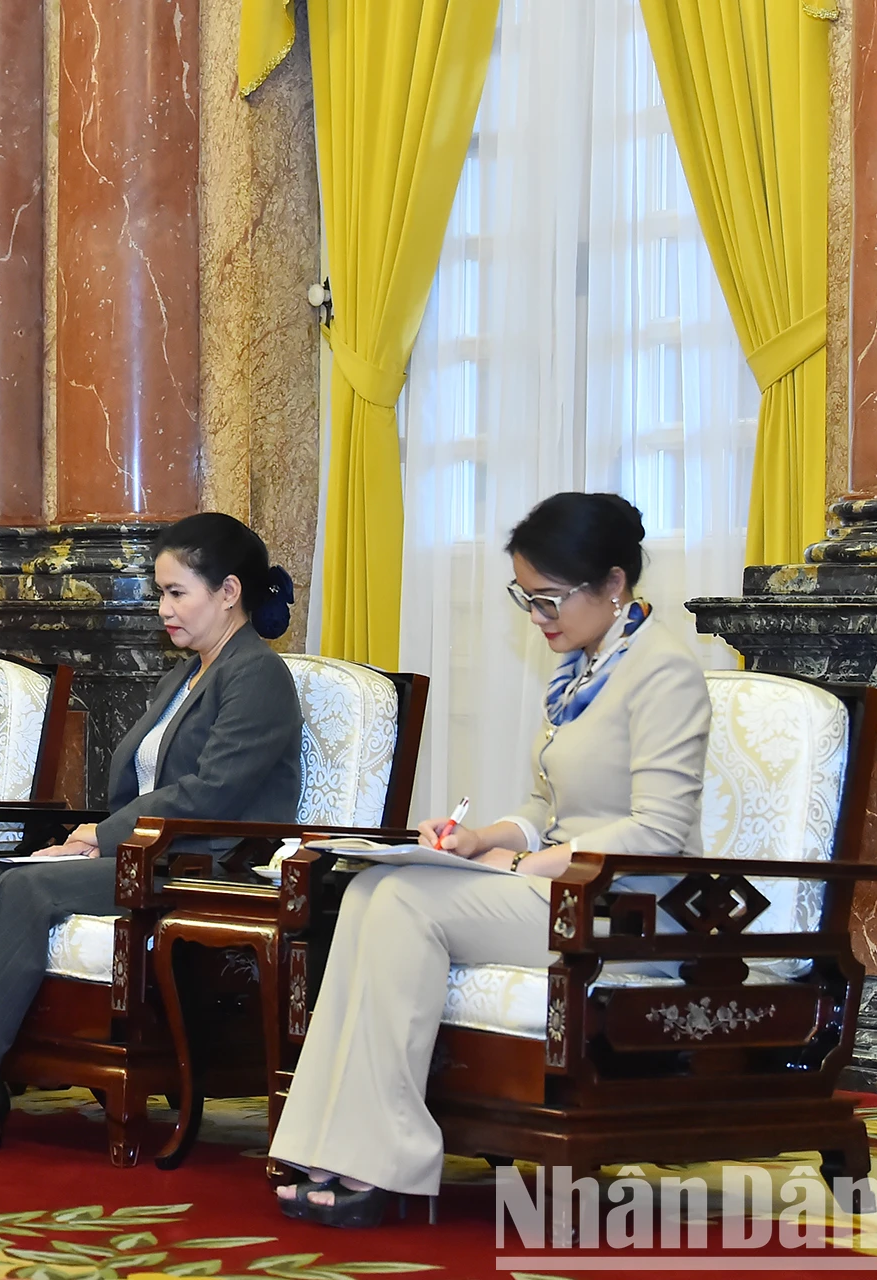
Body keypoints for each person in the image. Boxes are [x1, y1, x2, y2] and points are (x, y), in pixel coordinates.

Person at [268, 492, 710, 1227]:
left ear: (612, 584)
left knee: (406, 902)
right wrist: (488, 840)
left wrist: (544, 863)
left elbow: (660, 829)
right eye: (526, 600)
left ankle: (385, 1160)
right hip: (563, 888)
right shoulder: (582, 667)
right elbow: (547, 808)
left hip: (626, 905)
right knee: (376, 886)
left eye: (548, 600)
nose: (538, 619)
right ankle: (329, 1143)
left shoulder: (664, 671)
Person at [0, 512, 305, 1155]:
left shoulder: (257, 676)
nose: (163, 608)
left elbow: (214, 791)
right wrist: (92, 833)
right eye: (160, 591)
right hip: (148, 853)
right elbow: (145, 785)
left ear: (228, 591)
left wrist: (100, 838)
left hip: (201, 864)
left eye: (176, 592)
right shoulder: (180, 677)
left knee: (24, 891)